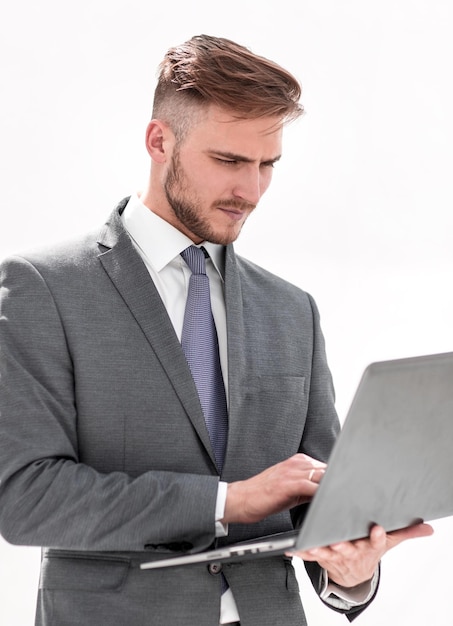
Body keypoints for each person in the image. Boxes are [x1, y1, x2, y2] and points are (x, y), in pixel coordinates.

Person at [0, 34, 432, 626]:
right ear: (159, 141)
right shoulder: (43, 287)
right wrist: (228, 502)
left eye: (267, 165)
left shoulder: (292, 310)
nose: (251, 191)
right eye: (229, 161)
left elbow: (322, 504)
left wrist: (349, 572)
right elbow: (25, 497)